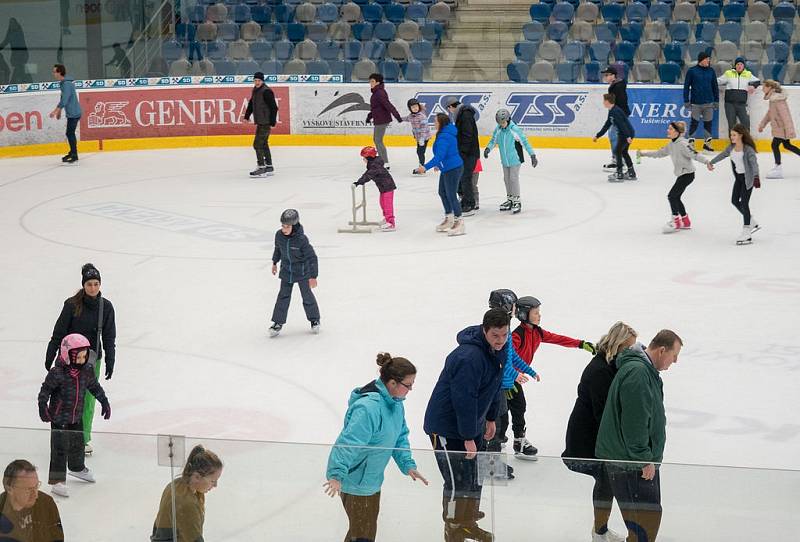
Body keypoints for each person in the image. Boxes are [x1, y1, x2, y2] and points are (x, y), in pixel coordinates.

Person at [424, 308, 510, 542]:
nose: (501, 340)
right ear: (484, 331)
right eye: (495, 335)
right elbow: (464, 398)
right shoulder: (468, 358)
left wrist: (491, 417)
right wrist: (469, 436)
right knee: (456, 481)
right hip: (447, 428)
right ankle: (453, 527)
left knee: (474, 477)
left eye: (504, 334)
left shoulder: (497, 350)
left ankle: (468, 521)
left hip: (473, 423)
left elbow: (495, 384)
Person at [325, 353, 428, 542]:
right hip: (355, 482)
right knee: (363, 535)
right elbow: (348, 443)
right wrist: (336, 475)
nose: (411, 389)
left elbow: (400, 437)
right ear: (392, 383)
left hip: (371, 481)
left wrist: (408, 465)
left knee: (363, 532)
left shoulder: (396, 405)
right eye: (408, 384)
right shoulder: (368, 409)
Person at [596, 330, 683, 542]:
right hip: (631, 464)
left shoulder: (644, 371)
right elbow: (635, 422)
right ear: (662, 350)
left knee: (646, 522)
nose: (676, 361)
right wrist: (644, 459)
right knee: (645, 523)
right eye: (674, 354)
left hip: (633, 461)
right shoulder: (638, 373)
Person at [562, 322, 638, 542]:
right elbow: (603, 412)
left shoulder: (609, 364)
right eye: (629, 347)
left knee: (607, 481)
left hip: (596, 432)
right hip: (587, 435)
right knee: (606, 480)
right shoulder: (600, 370)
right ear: (617, 345)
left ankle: (600, 529)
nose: (632, 351)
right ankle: (599, 532)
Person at [506, 296, 595, 460]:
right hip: (505, 380)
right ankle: (493, 444)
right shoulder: (517, 336)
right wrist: (507, 381)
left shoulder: (537, 332)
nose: (539, 316)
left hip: (515, 379)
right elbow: (504, 360)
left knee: (519, 408)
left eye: (539, 312)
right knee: (501, 414)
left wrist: (580, 344)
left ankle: (518, 441)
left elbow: (557, 338)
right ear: (524, 314)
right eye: (535, 313)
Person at [45, 263, 116, 455]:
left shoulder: (106, 307)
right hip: (69, 360)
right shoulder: (71, 305)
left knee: (88, 401)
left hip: (91, 360)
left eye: (96, 283)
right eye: (89, 284)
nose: (93, 288)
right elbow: (59, 331)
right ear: (83, 285)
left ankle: (82, 439)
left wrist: (111, 358)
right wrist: (51, 352)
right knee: (68, 398)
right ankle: (64, 435)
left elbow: (109, 336)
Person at [38, 334, 111, 498]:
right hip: (59, 418)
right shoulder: (57, 373)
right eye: (78, 356)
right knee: (59, 450)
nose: (82, 359)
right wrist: (42, 407)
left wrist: (104, 401)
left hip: (75, 417)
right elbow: (45, 391)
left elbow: (94, 387)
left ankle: (77, 468)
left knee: (78, 444)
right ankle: (57, 481)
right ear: (67, 354)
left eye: (84, 356)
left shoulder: (86, 371)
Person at [485, 289, 540, 467]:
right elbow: (499, 362)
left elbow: (512, 356)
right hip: (497, 384)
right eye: (514, 306)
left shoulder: (505, 330)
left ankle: (507, 448)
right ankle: (491, 461)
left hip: (506, 382)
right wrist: (515, 374)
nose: (516, 310)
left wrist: (528, 371)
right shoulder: (495, 331)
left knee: (509, 414)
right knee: (497, 422)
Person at [637, 121, 710, 234]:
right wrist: (644, 153)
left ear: (677, 132)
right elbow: (659, 153)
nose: (668, 130)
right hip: (682, 174)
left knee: (672, 196)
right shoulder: (671, 144)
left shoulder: (683, 144)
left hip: (688, 174)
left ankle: (675, 221)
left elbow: (695, 154)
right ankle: (685, 221)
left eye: (671, 129)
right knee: (676, 197)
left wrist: (707, 162)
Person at [151, 445, 223, 542]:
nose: (215, 485)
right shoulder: (186, 502)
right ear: (197, 477)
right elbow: (194, 539)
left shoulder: (176, 484)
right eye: (213, 481)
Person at [707, 124, 761, 245]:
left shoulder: (748, 150)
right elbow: (722, 155)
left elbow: (754, 164)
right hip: (739, 178)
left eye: (734, 135)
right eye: (731, 135)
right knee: (735, 201)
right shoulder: (731, 148)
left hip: (748, 179)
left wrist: (756, 177)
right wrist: (711, 162)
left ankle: (747, 230)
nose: (731, 137)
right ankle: (751, 220)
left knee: (745, 202)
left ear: (741, 135)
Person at [269, 209, 320, 336]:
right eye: (282, 226)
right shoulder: (279, 236)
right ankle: (277, 323)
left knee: (307, 296)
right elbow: (278, 249)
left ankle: (314, 320)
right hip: (287, 271)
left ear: (294, 226)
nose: (284, 229)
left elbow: (312, 257)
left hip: (303, 272)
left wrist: (313, 276)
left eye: (287, 226)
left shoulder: (301, 240)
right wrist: (275, 262)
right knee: (283, 297)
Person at [416, 113, 466, 236]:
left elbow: (439, 156)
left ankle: (459, 222)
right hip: (447, 167)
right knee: (443, 192)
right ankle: (449, 218)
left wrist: (425, 167)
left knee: (451, 195)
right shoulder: (446, 133)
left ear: (441, 122)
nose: (434, 122)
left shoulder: (444, 136)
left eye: (436, 120)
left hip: (453, 168)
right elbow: (445, 153)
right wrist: (440, 164)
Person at [483, 108, 538, 214]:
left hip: (515, 159)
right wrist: (488, 148)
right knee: (506, 179)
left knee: (513, 178)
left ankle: (517, 200)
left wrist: (532, 155)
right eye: (499, 122)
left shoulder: (514, 129)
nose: (501, 124)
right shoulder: (498, 129)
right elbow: (493, 140)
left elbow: (525, 142)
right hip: (505, 160)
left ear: (508, 120)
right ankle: (510, 199)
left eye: (503, 122)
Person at [0, 459, 64, 541]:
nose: (35, 494)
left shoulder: (45, 502)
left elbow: (57, 536)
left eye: (36, 486)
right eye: (28, 489)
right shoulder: (3, 518)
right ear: (10, 489)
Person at [757, 79, 800, 180]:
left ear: (770, 88)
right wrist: (762, 125)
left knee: (774, 145)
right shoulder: (773, 99)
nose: (762, 88)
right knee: (787, 145)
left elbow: (785, 116)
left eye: (764, 86)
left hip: (782, 129)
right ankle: (778, 167)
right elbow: (769, 114)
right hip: (780, 128)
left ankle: (778, 168)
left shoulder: (777, 99)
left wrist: (789, 130)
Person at [445, 97, 480, 215]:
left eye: (449, 109)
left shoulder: (464, 115)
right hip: (466, 152)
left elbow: (467, 135)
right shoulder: (462, 114)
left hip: (469, 153)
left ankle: (469, 203)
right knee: (463, 177)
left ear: (451, 107)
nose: (450, 112)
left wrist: (462, 153)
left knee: (466, 177)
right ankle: (465, 201)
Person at [243, 71, 279, 178]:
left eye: (259, 80)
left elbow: (274, 107)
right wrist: (246, 116)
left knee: (257, 144)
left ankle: (262, 168)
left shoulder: (266, 91)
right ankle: (269, 166)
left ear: (262, 81)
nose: (257, 82)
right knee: (263, 144)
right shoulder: (256, 90)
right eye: (255, 80)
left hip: (265, 122)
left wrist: (272, 121)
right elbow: (251, 103)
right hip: (261, 121)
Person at [593, 94, 636, 182]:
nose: (603, 102)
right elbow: (607, 124)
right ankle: (631, 172)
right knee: (623, 152)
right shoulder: (611, 110)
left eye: (603, 101)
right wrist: (598, 135)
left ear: (607, 102)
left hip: (626, 133)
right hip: (625, 133)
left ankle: (619, 173)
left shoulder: (616, 111)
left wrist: (628, 136)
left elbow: (622, 124)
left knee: (617, 151)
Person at [354, 146, 397, 231]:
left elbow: (368, 175)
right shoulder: (373, 163)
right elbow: (367, 173)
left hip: (387, 187)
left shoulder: (375, 166)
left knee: (387, 205)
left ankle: (391, 223)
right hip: (383, 187)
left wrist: (359, 182)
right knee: (382, 203)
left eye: (364, 158)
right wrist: (360, 181)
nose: (363, 159)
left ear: (369, 158)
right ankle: (387, 218)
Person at [683, 52, 719, 152]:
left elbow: (715, 87)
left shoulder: (711, 71)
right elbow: (686, 87)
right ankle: (691, 145)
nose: (709, 61)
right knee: (694, 123)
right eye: (707, 59)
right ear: (701, 60)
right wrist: (686, 100)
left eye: (709, 59)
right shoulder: (692, 71)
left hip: (709, 103)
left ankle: (707, 145)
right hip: (696, 104)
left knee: (708, 123)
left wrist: (716, 101)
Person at [365, 73, 402, 169]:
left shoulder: (379, 93)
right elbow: (376, 108)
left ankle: (385, 162)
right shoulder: (377, 92)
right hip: (379, 118)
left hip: (382, 120)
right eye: (370, 81)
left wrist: (397, 116)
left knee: (378, 140)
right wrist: (369, 116)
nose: (370, 83)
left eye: (372, 81)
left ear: (378, 82)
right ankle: (382, 161)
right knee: (377, 140)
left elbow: (388, 105)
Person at [49, 64, 82, 163]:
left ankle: (74, 154)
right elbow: (62, 97)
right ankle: (73, 152)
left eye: (54, 72)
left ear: (60, 72)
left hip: (74, 112)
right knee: (69, 133)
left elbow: (65, 99)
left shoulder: (67, 84)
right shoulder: (63, 83)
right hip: (72, 112)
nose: (53, 73)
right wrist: (59, 111)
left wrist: (55, 111)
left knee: (70, 133)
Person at [717, 57, 759, 132]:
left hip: (742, 104)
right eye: (738, 64)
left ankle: (746, 142)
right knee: (732, 125)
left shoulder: (748, 74)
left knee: (746, 123)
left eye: (741, 64)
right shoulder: (728, 73)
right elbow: (718, 81)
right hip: (730, 104)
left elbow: (757, 81)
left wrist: (753, 85)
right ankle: (733, 143)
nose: (739, 66)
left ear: (744, 66)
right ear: (735, 65)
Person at [601, 66, 630, 172]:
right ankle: (618, 160)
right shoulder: (616, 85)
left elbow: (621, 102)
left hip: (619, 115)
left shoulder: (617, 87)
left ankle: (619, 162)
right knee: (614, 135)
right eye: (605, 75)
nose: (605, 77)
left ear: (613, 76)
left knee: (614, 136)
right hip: (619, 115)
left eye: (607, 75)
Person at [404, 98, 431, 174]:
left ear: (419, 106)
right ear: (410, 109)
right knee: (419, 152)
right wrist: (399, 119)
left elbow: (424, 128)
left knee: (420, 152)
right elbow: (407, 118)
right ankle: (422, 167)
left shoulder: (422, 116)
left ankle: (422, 168)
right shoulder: (411, 115)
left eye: (416, 106)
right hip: (419, 138)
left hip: (424, 137)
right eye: (413, 107)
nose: (415, 108)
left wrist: (422, 139)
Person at [0, 18, 30, 84]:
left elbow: (5, 42)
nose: (12, 25)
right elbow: (5, 42)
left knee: (20, 71)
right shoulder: (11, 34)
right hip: (18, 56)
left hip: (20, 55)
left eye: (13, 23)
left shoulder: (17, 33)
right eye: (10, 24)